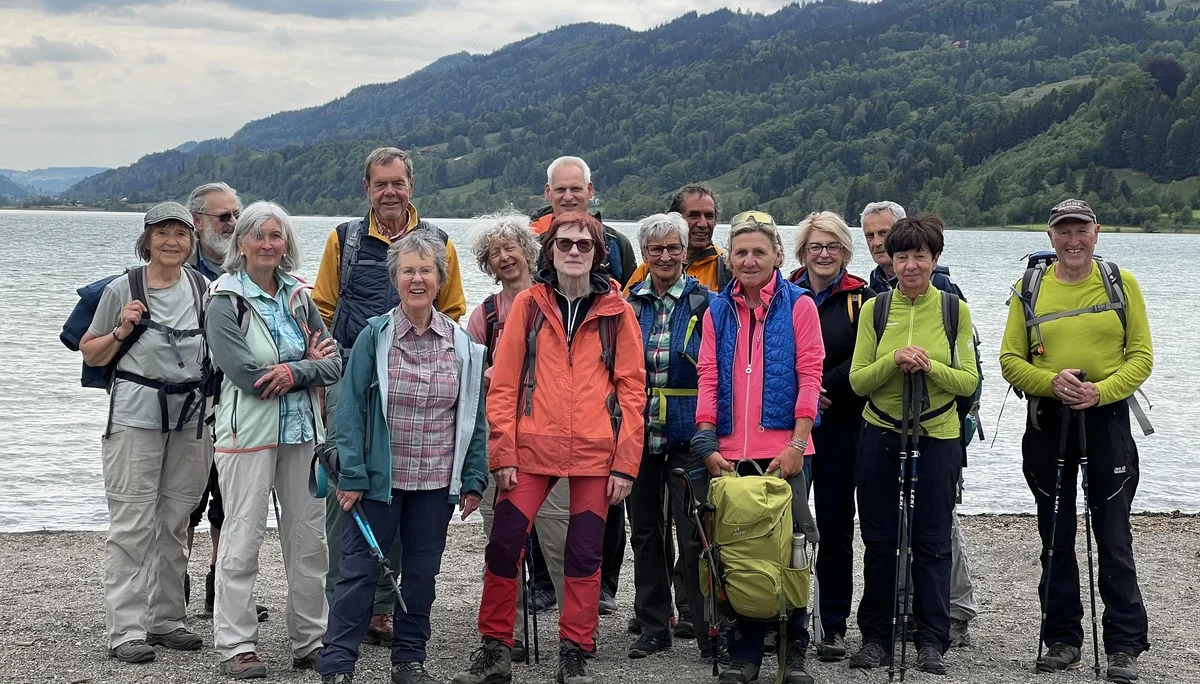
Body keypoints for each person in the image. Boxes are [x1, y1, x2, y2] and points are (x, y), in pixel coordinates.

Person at [453, 212, 645, 684]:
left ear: (598, 253)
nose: (574, 251)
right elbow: (502, 385)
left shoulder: (618, 312)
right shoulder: (529, 306)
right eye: (565, 244)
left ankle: (575, 651)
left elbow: (633, 391)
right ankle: (496, 651)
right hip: (531, 448)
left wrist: (625, 462)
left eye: (584, 244)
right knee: (503, 547)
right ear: (551, 251)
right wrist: (502, 452)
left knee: (582, 555)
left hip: (595, 455)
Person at [317, 232, 490, 684]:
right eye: (408, 270)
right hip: (376, 481)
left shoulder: (461, 344)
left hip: (435, 483)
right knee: (358, 572)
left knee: (421, 577)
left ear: (440, 279)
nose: (417, 279)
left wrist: (473, 477)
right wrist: (350, 474)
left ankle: (409, 661)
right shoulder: (375, 336)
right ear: (395, 278)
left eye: (426, 270)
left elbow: (473, 414)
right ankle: (337, 665)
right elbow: (351, 410)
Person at [312, 146, 467, 646]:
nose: (390, 192)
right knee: (348, 491)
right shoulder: (345, 240)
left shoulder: (439, 243)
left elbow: (455, 313)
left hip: (416, 380)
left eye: (397, 182)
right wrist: (328, 370)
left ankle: (383, 604)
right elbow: (321, 308)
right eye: (380, 184)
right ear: (367, 189)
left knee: (405, 488)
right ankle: (347, 601)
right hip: (354, 380)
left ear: (412, 185)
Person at [999, 199, 1152, 684]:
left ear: (1096, 232)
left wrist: (1099, 391)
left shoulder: (1122, 284)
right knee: (1056, 536)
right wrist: (1052, 383)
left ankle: (1124, 646)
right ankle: (1063, 639)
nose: (1072, 240)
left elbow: (1142, 356)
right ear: (1050, 236)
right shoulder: (1029, 287)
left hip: (1106, 418)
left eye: (1080, 230)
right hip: (1049, 419)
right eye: (1063, 231)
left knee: (1113, 534)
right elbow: (1009, 359)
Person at [206, 201, 341, 679]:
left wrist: (294, 370)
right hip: (248, 437)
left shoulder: (300, 296)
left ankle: (310, 640)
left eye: (276, 235)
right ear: (239, 243)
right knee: (241, 540)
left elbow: (334, 363)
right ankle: (236, 645)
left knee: (308, 542)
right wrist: (302, 366)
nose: (267, 244)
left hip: (303, 434)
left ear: (287, 243)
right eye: (257, 235)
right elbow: (245, 375)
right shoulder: (224, 299)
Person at [694, 210, 824, 684]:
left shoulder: (800, 306)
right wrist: (707, 442)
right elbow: (708, 376)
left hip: (784, 454)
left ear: (777, 256)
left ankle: (795, 650)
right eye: (741, 252)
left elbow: (810, 377)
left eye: (759, 252)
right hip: (730, 452)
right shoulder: (716, 309)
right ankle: (745, 650)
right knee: (739, 553)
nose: (749, 260)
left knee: (790, 553)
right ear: (729, 257)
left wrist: (797, 443)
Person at [80, 201, 212, 664]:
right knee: (133, 522)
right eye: (162, 233)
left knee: (176, 519)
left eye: (180, 233)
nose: (172, 242)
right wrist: (121, 330)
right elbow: (92, 353)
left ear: (191, 241)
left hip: (192, 416)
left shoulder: (203, 287)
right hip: (135, 415)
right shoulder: (122, 289)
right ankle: (126, 630)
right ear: (147, 239)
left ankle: (166, 619)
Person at [848, 215, 979, 676]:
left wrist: (927, 367)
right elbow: (859, 380)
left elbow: (968, 380)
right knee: (880, 541)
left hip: (938, 433)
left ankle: (931, 641)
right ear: (890, 260)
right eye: (900, 256)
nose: (909, 265)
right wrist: (893, 359)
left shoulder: (952, 310)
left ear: (935, 258)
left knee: (932, 541)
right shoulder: (874, 309)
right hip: (880, 430)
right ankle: (875, 638)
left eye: (919, 255)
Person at [528, 155, 638, 614]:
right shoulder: (536, 237)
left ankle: (606, 583)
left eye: (577, 189)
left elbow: (626, 298)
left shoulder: (616, 242)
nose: (569, 196)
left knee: (607, 502)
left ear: (590, 190)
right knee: (538, 494)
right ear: (548, 194)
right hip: (550, 382)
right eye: (560, 190)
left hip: (601, 374)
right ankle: (542, 582)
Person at [464, 210, 570, 660]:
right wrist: (489, 375)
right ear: (487, 263)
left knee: (562, 539)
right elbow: (467, 380)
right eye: (494, 252)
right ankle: (506, 635)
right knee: (503, 543)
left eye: (511, 248)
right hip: (501, 437)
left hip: (555, 437)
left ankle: (574, 634)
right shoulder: (484, 315)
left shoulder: (558, 302)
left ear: (528, 252)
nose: (505, 257)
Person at [624, 212, 716, 661]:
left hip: (688, 431)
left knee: (695, 531)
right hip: (637, 431)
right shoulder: (627, 304)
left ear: (686, 252)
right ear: (644, 254)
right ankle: (653, 624)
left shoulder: (707, 302)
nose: (665, 256)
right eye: (656, 249)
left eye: (673, 248)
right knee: (644, 530)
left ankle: (706, 627)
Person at [787, 211, 875, 661]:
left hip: (842, 424)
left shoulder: (862, 296)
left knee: (837, 527)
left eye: (833, 247)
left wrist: (823, 389)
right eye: (816, 246)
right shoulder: (782, 292)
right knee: (788, 526)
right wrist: (801, 392)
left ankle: (835, 625)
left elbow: (867, 353)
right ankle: (786, 618)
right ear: (802, 251)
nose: (824, 254)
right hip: (791, 424)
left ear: (846, 251)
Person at [182, 182, 267, 621]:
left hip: (239, 408)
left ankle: (221, 591)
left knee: (230, 502)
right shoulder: (176, 270)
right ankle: (176, 590)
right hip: (189, 408)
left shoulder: (252, 271)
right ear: (197, 223)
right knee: (185, 503)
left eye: (237, 215)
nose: (233, 224)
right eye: (224, 217)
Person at [623, 184, 732, 294]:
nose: (703, 224)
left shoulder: (727, 269)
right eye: (694, 215)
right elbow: (627, 306)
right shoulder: (649, 269)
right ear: (676, 220)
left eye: (709, 216)